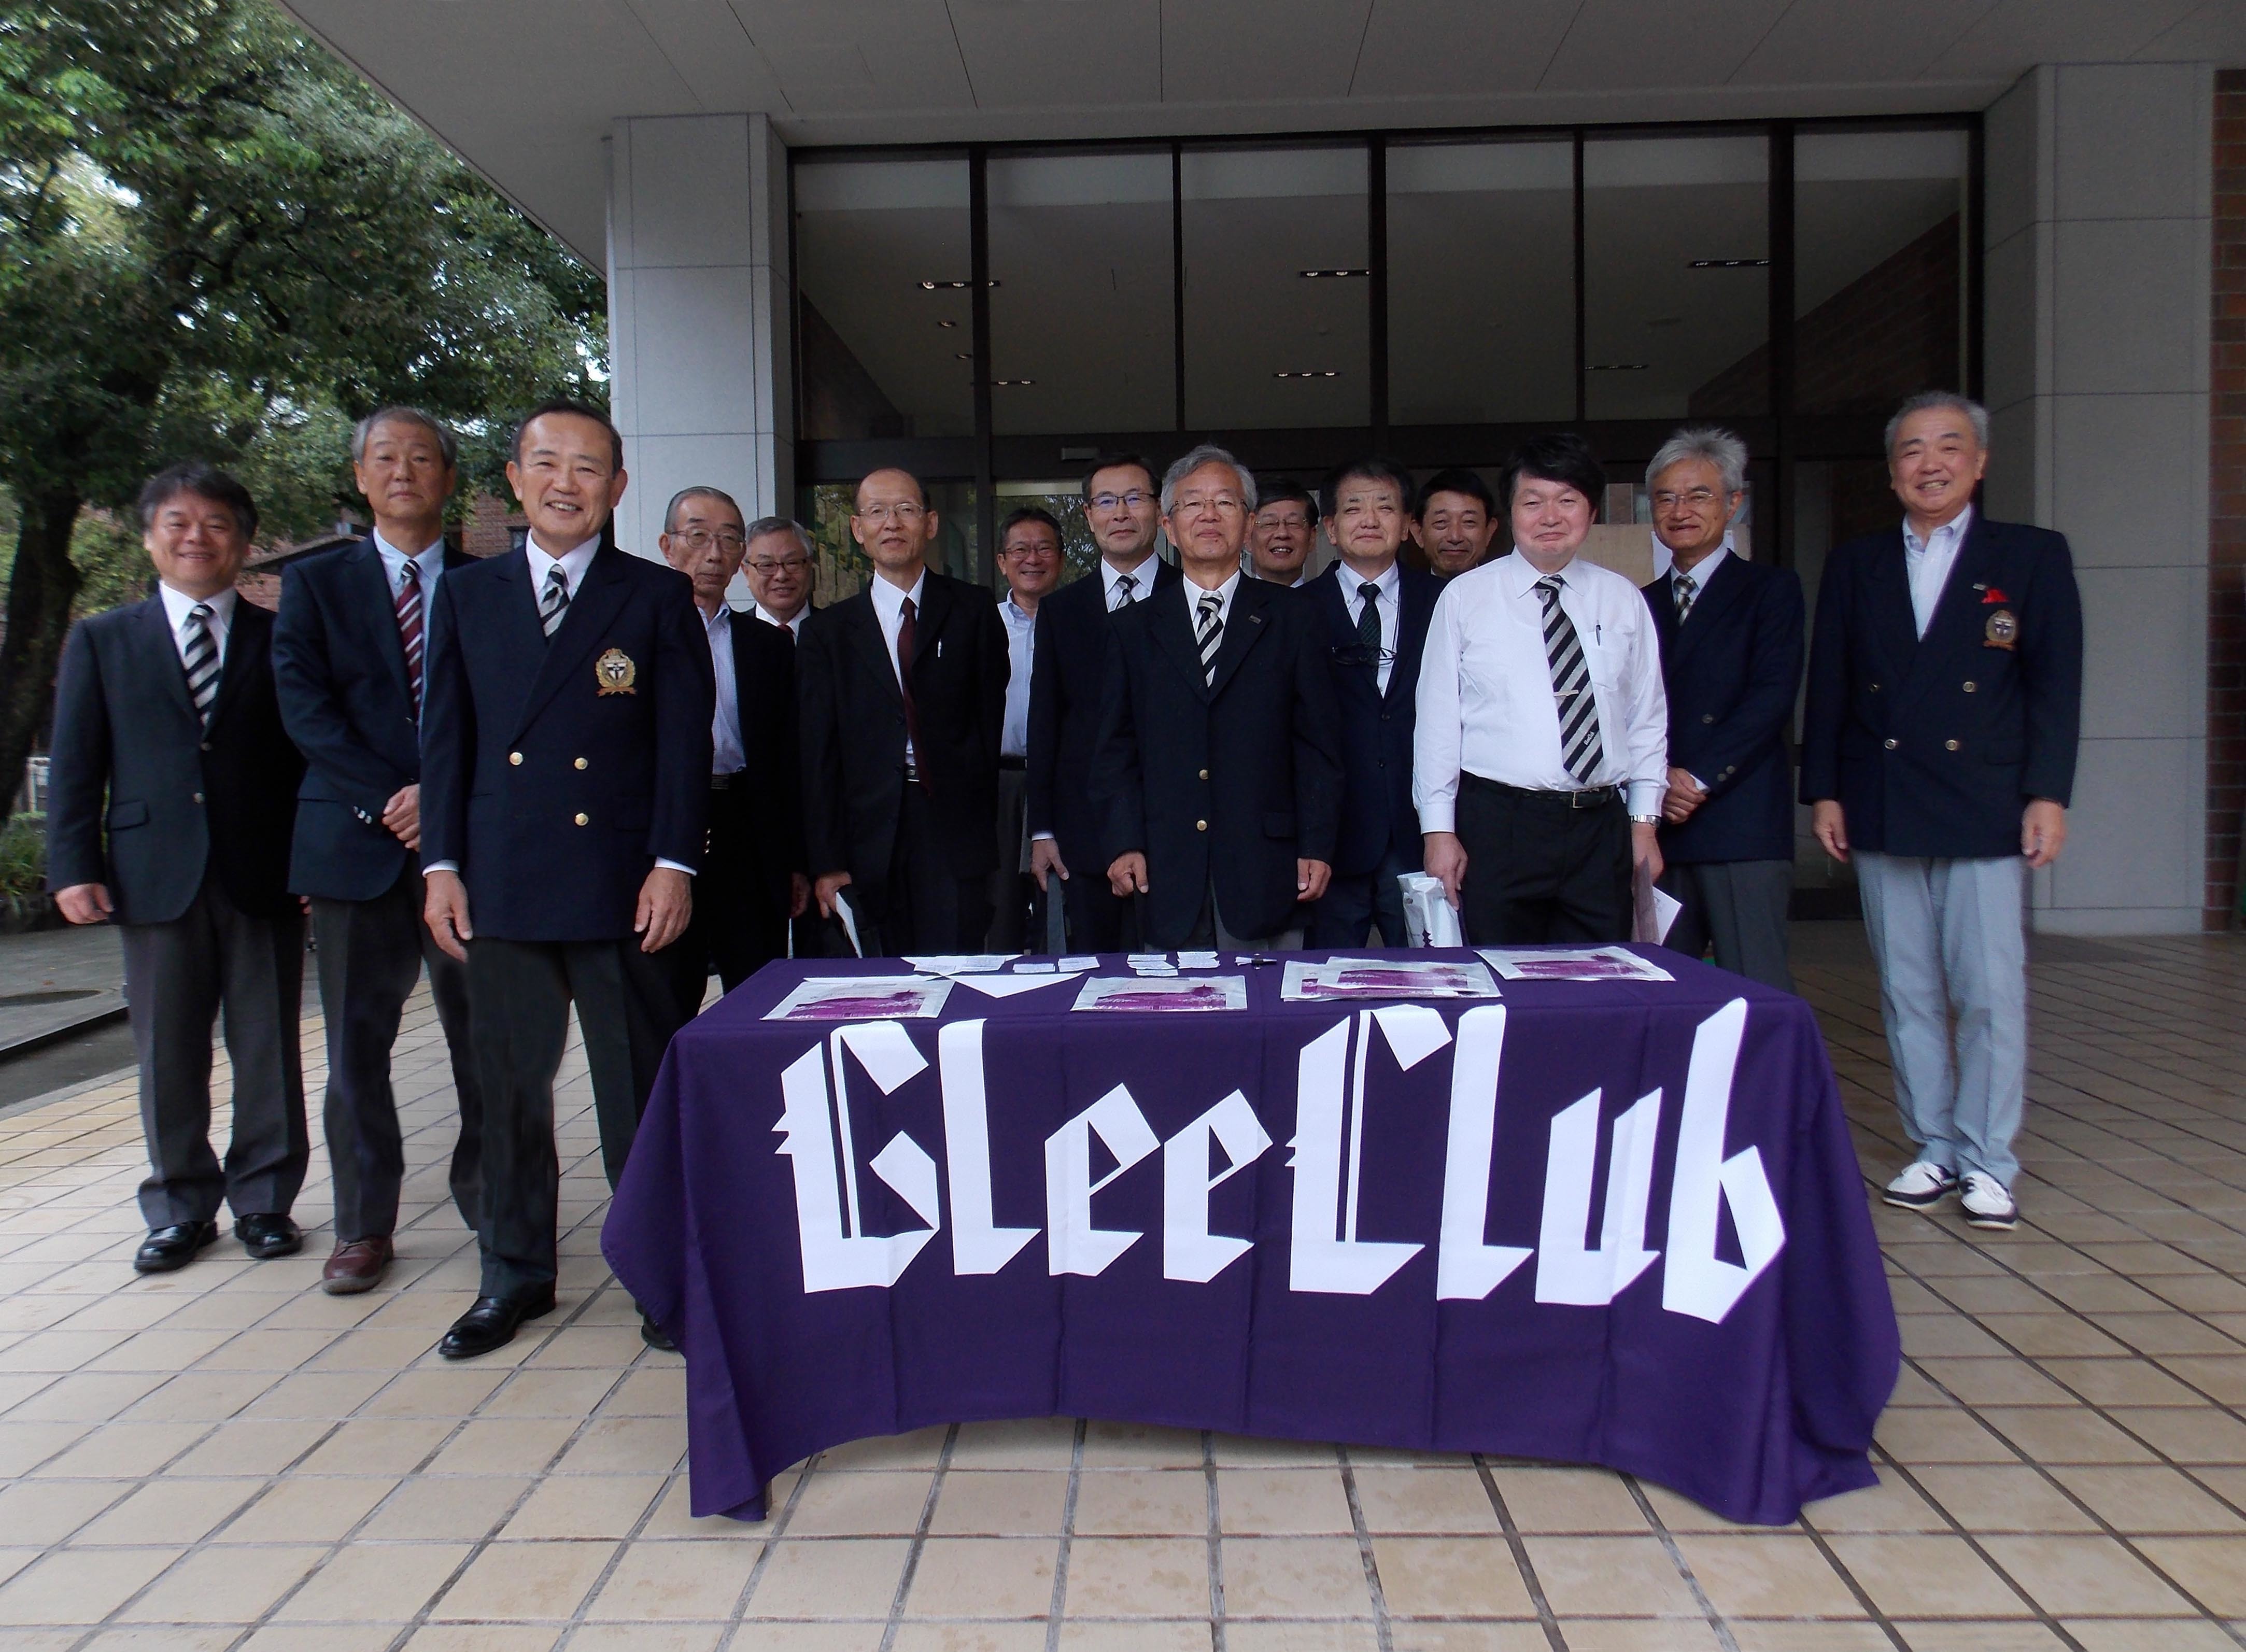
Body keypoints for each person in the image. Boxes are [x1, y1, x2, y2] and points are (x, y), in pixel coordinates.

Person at [420, 401, 713, 1357]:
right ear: (513, 479)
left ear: (616, 488)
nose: (565, 483)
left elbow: (682, 744)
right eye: (546, 463)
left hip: (621, 882)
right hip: (501, 882)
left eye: (588, 468)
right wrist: (441, 866)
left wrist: (675, 863)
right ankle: (512, 1274)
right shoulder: (467, 595)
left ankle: (660, 1276)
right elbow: (446, 743)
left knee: (637, 1092)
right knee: (506, 1090)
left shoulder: (655, 594)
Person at [1802, 392, 2082, 1232]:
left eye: (1948, 447)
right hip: (1882, 797)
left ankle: (1989, 1157)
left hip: (1985, 801)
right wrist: (1824, 787)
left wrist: (2047, 792)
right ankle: (1934, 1143)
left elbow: (2053, 685)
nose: (1930, 464)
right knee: (1908, 988)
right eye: (1912, 451)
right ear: (1892, 472)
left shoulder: (2028, 555)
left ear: (1979, 462)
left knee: (1989, 990)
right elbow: (1831, 683)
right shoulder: (1857, 563)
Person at [47, 465, 309, 1275]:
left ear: (244, 541)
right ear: (150, 536)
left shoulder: (280, 637)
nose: (197, 537)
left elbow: (306, 761)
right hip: (151, 871)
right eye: (178, 522)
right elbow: (77, 761)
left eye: (217, 523)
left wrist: (313, 860)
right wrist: (72, 865)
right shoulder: (102, 639)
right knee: (167, 1048)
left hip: (263, 870)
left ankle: (265, 1199)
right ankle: (179, 1205)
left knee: (268, 1044)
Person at [272, 409, 485, 1295]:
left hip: (467, 848)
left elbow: (510, 708)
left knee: (486, 1039)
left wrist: (441, 797)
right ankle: (363, 1223)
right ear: (361, 476)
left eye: (422, 457)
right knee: (357, 1046)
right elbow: (304, 708)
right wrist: (393, 797)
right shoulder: (314, 584)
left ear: (449, 479)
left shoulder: (488, 584)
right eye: (386, 458)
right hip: (355, 843)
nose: (404, 472)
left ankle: (495, 1205)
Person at [1415, 433, 1667, 945]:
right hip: (1500, 825)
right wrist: (1438, 830)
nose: (1550, 517)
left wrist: (1644, 823)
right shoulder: (1465, 598)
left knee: (1601, 972)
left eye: (1567, 501)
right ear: (1509, 514)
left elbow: (1646, 718)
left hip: (1600, 827)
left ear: (1591, 511)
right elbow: (1437, 723)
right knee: (1500, 974)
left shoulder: (1621, 599)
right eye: (1533, 502)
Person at [1093, 445, 1342, 949]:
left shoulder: (1295, 618)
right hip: (1165, 866)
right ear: (1168, 526)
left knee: (1270, 999)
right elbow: (1114, 750)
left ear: (1248, 524)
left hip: (1269, 866)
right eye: (1192, 504)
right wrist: (1122, 842)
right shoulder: (1131, 629)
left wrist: (1318, 843)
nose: (1208, 515)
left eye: (1225, 502)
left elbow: (1318, 744)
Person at [798, 468, 1009, 955]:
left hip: (952, 829)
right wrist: (828, 861)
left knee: (956, 967)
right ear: (858, 529)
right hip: (867, 835)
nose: (891, 523)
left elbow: (986, 722)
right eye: (877, 511)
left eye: (906, 510)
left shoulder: (973, 610)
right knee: (880, 978)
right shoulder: (828, 633)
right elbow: (818, 756)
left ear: (930, 523)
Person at [1641, 427, 1804, 993]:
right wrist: (1657, 780)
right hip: (1660, 824)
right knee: (1663, 989)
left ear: (1734, 503)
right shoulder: (1638, 602)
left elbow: (1771, 696)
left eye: (1698, 495)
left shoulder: (1770, 590)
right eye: (1665, 498)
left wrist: (1696, 778)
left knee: (1753, 988)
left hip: (1740, 821)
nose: (1680, 510)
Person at [656, 486, 808, 1009]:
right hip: (671, 825)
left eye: (727, 539)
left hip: (747, 825)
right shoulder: (641, 634)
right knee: (668, 994)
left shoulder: (765, 644)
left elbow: (787, 762)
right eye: (698, 537)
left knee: (757, 993)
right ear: (667, 546)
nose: (713, 553)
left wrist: (794, 861)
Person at [1026, 455, 1178, 953]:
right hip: (1084, 829)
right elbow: (1045, 722)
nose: (1121, 513)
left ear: (1160, 511)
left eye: (1135, 498)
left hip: (1177, 823)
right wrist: (1041, 829)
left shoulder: (1191, 596)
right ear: (1089, 515)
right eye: (1107, 501)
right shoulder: (1060, 610)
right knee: (1096, 972)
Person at [1304, 458, 1439, 949]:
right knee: (1324, 978)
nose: (1369, 519)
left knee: (1429, 974)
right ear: (1330, 528)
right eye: (1353, 508)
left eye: (1384, 507)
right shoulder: (1296, 611)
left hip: (1419, 830)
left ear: (1406, 525)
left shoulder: (1444, 602)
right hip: (1331, 838)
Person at [990, 506, 1062, 949]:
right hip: (1000, 782)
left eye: (1044, 548)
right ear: (1002, 561)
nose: (1032, 558)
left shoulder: (1078, 621)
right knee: (1000, 912)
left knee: (1058, 911)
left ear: (1061, 558)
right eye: (1020, 549)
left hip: (1060, 783)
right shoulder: (984, 624)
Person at [1411, 469, 1502, 578]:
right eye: (1441, 522)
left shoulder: (1505, 588)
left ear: (1489, 531)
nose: (1455, 537)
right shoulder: (1404, 589)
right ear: (1419, 533)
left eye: (1469, 522)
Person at [744, 517, 815, 641]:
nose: (781, 576)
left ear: (809, 566)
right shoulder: (731, 634)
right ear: (746, 572)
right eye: (767, 565)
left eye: (792, 563)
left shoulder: (839, 632)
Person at [1248, 481, 1318, 586]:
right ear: (1248, 538)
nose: (1282, 534)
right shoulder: (1230, 596)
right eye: (1269, 523)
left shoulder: (1331, 596)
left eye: (1293, 523)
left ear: (1312, 538)